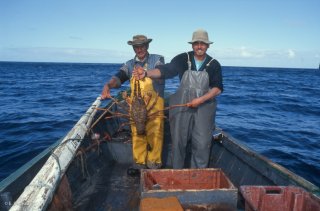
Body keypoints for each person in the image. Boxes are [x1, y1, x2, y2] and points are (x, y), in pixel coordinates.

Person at [134, 29, 223, 169]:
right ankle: (177, 173)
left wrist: (200, 100)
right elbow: (165, 70)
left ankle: (198, 175)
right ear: (192, 45)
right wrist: (146, 73)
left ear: (208, 46)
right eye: (196, 43)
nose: (199, 46)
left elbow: (217, 88)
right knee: (178, 141)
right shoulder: (183, 58)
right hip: (183, 106)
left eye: (203, 44)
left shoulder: (214, 64)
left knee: (201, 143)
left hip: (204, 107)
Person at [101, 35, 165, 175]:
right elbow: (119, 77)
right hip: (136, 105)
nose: (139, 49)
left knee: (156, 132)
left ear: (147, 46)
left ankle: (154, 164)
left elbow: (161, 72)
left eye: (142, 45)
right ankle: (139, 163)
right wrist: (108, 85)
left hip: (153, 104)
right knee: (136, 133)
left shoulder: (157, 59)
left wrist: (146, 73)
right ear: (133, 48)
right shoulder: (129, 64)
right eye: (136, 46)